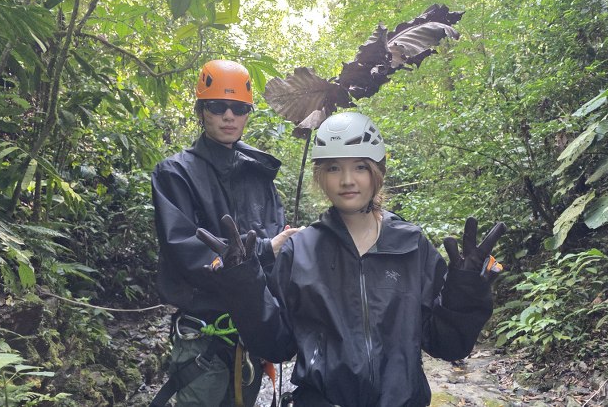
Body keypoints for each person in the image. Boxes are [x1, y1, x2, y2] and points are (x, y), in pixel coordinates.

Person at [197, 112, 507, 406]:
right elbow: (276, 346)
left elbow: (447, 344)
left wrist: (465, 293)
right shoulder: (301, 251)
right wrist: (244, 286)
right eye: (333, 167)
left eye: (359, 166)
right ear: (321, 176)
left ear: (378, 172)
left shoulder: (412, 246)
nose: (347, 179)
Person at [150, 59, 300, 407]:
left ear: (248, 114)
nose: (228, 116)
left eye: (238, 108)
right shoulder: (175, 173)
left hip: (254, 328)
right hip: (203, 332)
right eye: (218, 107)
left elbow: (278, 244)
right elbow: (183, 248)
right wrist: (262, 251)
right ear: (202, 111)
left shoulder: (258, 174)